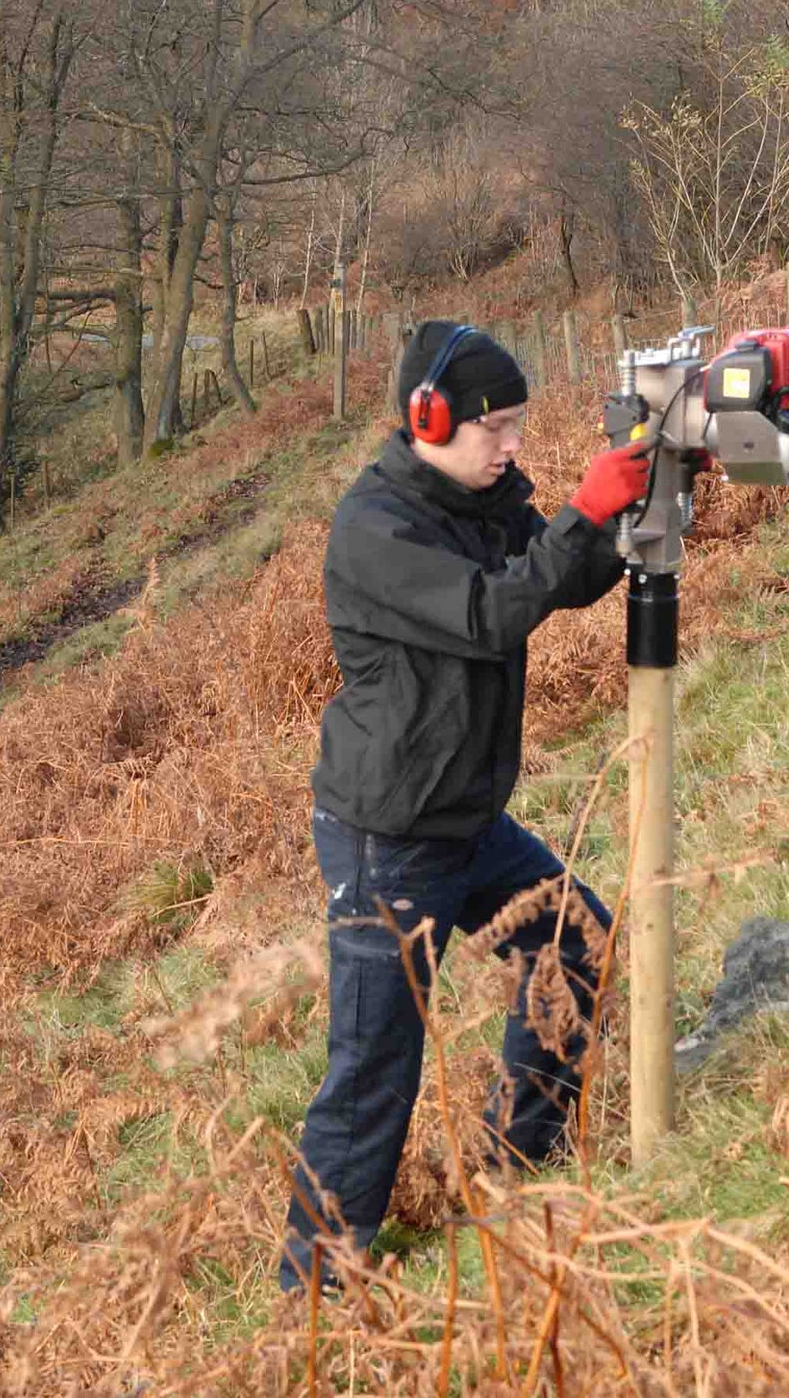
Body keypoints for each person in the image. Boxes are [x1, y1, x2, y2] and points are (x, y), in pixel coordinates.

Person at [278, 319, 650, 1292]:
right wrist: (581, 510)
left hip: (466, 822)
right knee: (374, 1069)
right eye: (499, 429)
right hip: (387, 836)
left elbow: (556, 581)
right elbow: (490, 615)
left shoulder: (481, 499)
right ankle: (311, 1297)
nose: (511, 445)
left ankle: (515, 1164)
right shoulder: (378, 529)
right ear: (429, 418)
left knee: (574, 944)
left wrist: (629, 512)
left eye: (518, 427)